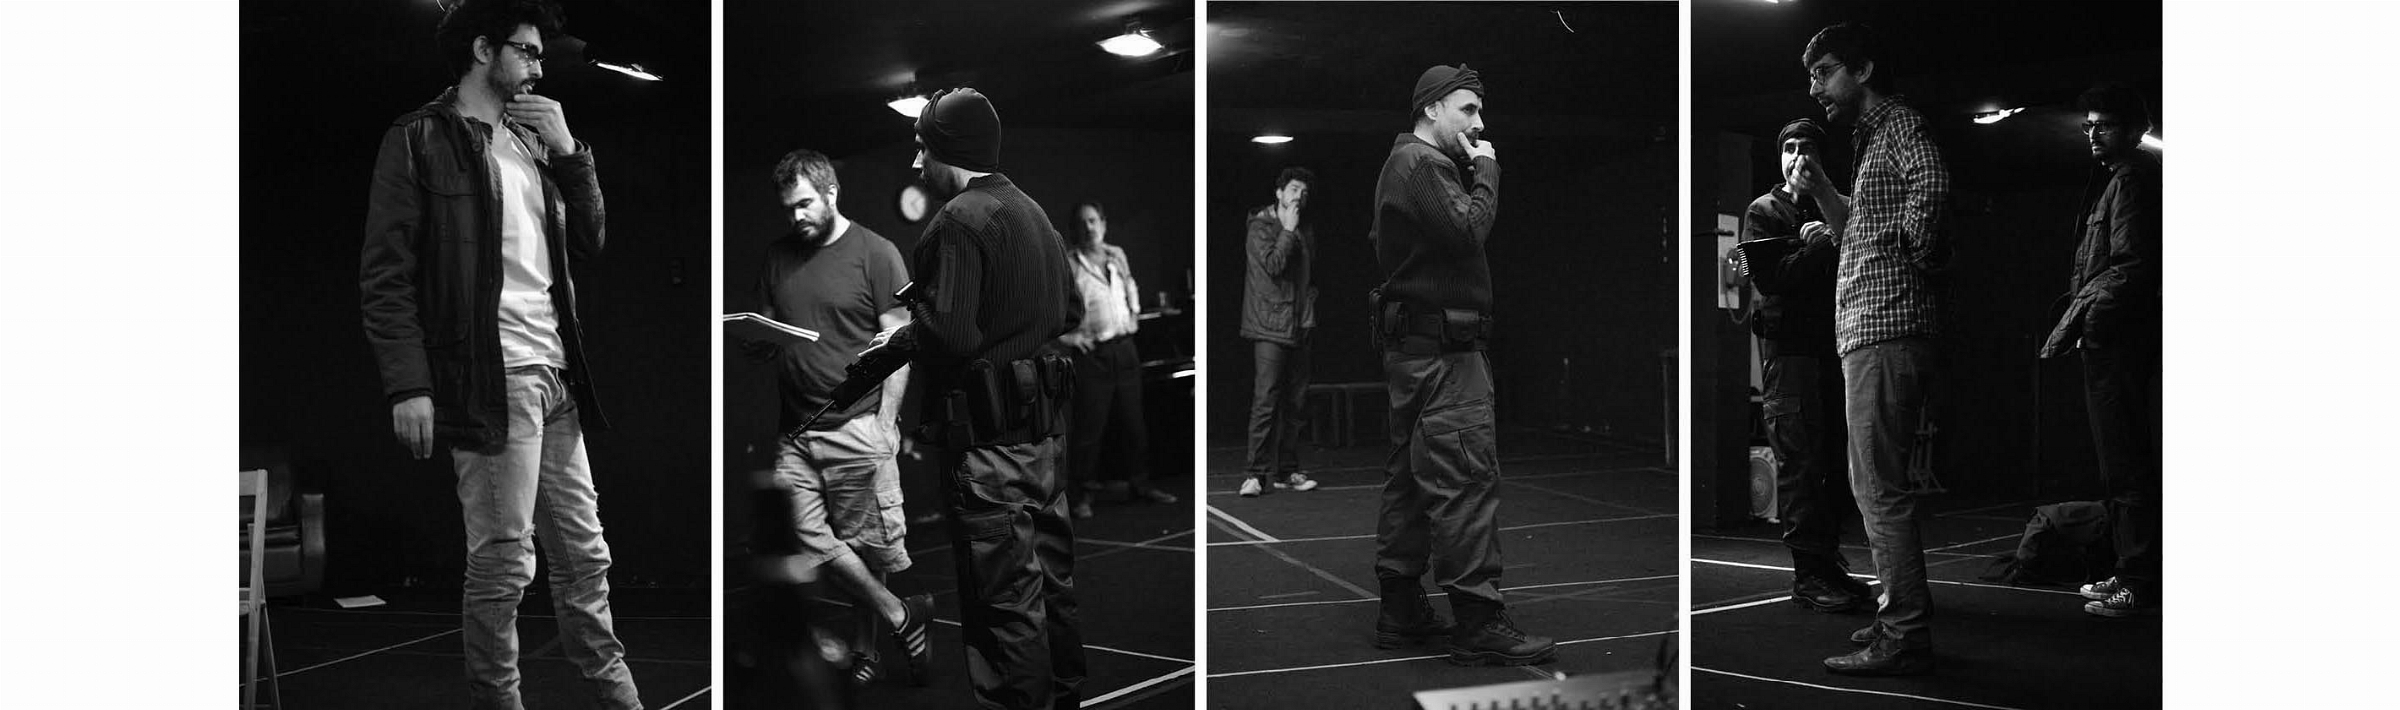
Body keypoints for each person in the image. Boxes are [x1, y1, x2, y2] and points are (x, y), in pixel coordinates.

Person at [357, 0, 640, 706]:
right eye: (528, 51)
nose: (540, 67)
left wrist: (571, 153)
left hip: (556, 374)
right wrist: (408, 385)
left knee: (586, 556)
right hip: (490, 376)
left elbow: (590, 243)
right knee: (505, 564)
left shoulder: (532, 144)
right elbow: (386, 276)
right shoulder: (419, 138)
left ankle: (620, 700)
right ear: (484, 50)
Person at [863, 87, 1087, 710]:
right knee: (1054, 595)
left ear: (949, 151)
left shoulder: (957, 222)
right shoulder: (1035, 214)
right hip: (1045, 446)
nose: (916, 162)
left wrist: (906, 328)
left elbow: (952, 335)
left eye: (922, 148)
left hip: (989, 455)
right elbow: (1071, 311)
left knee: (1003, 611)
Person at [1367, 64, 1554, 666]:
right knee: (1465, 480)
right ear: (1431, 109)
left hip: (1415, 350)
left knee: (1409, 480)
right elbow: (1468, 229)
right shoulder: (1423, 164)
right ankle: (1477, 620)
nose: (1479, 122)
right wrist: (1488, 170)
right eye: (1467, 109)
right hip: (1444, 357)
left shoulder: (1406, 164)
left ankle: (1400, 611)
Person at [1791, 22, 1951, 676]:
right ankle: (1899, 620)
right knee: (1873, 485)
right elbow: (1854, 228)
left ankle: (1905, 631)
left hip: (1885, 324)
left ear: (1862, 70)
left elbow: (1932, 185)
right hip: (1869, 327)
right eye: (1811, 76)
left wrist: (1907, 254)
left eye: (1824, 72)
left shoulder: (1898, 125)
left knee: (1879, 490)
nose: (1815, 88)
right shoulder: (1869, 139)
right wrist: (1822, 190)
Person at [745, 149, 934, 686]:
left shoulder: (876, 252)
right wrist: (757, 340)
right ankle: (902, 614)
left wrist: (886, 423)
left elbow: (901, 345)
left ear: (831, 193)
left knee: (864, 548)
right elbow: (771, 328)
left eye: (805, 203)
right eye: (788, 208)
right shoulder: (778, 256)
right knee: (804, 538)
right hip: (796, 431)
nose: (797, 216)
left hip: (856, 424)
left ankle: (865, 651)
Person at [1741, 118, 1873, 614]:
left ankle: (1828, 564)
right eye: (1789, 147)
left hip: (1833, 349)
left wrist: (1829, 235)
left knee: (1833, 463)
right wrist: (1815, 245)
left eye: (1807, 148)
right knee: (1800, 465)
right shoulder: (1764, 211)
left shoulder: (1832, 207)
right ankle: (1808, 576)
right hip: (1789, 355)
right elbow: (1771, 280)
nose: (1797, 156)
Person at [2039, 83, 2160, 619]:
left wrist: (2089, 318)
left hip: (2118, 343)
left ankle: (2139, 583)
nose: (2092, 134)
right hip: (2111, 341)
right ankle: (2130, 570)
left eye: (2104, 125)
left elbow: (2133, 267)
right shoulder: (2119, 180)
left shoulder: (2132, 180)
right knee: (2119, 465)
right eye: (2089, 125)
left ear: (2135, 131)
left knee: (2127, 465)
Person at [1059, 199, 1179, 518]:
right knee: (1089, 428)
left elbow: (1129, 286)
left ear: (1103, 224)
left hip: (1124, 349)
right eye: (1082, 222)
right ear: (1075, 229)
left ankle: (1140, 484)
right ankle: (1082, 494)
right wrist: (1069, 338)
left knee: (1134, 423)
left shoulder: (1117, 255)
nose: (1089, 227)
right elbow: (1052, 308)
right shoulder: (1069, 264)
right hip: (1093, 354)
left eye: (1093, 220)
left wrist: (1134, 314)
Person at [1238, 167, 1324, 497]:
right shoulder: (1261, 226)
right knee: (1266, 401)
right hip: (1269, 326)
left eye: (1304, 192)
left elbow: (1308, 274)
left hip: (1300, 324)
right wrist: (1287, 230)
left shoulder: (1305, 227)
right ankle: (1255, 474)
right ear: (1279, 193)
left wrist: (1310, 302)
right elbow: (1273, 266)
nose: (1299, 197)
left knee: (1296, 404)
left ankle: (1287, 470)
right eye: (1294, 190)